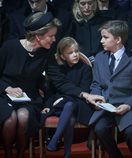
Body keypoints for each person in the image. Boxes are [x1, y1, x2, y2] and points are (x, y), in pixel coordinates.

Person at [0, 11, 61, 158]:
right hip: (3, 93)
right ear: (38, 36)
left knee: (23, 116)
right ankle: (8, 154)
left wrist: (82, 93)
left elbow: (59, 79)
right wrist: (7, 88)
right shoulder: (10, 46)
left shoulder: (47, 53)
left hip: (29, 97)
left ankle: (21, 154)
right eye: (51, 36)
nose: (54, 39)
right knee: (10, 119)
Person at [89, 20, 132, 158]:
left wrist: (128, 105)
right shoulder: (99, 58)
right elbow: (96, 84)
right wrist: (96, 98)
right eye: (102, 37)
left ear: (118, 39)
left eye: (105, 37)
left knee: (131, 132)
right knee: (100, 129)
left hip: (128, 106)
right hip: (106, 107)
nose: (101, 41)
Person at [42, 37, 104, 158]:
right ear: (62, 56)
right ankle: (65, 151)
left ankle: (58, 143)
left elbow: (85, 90)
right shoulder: (56, 69)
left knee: (70, 108)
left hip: (79, 104)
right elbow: (51, 90)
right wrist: (47, 106)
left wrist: (66, 95)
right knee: (68, 105)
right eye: (70, 53)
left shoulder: (85, 69)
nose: (75, 55)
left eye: (76, 51)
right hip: (59, 104)